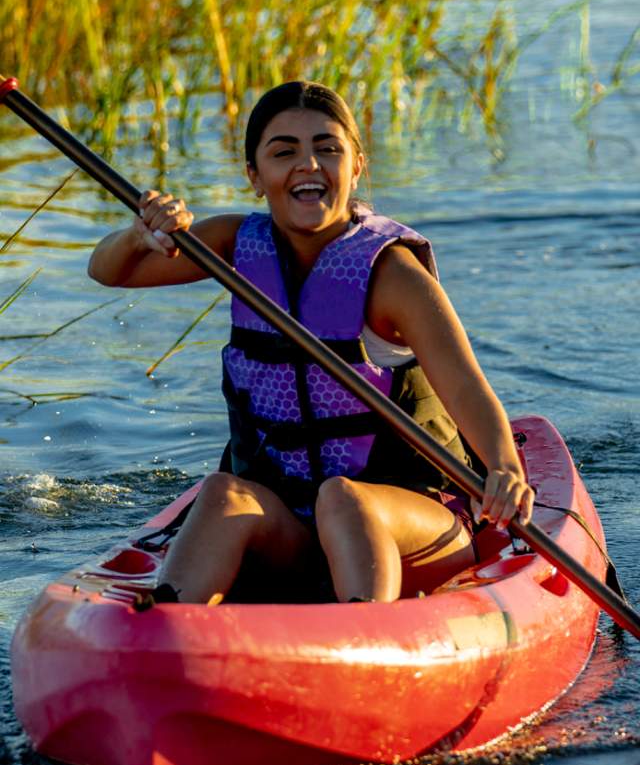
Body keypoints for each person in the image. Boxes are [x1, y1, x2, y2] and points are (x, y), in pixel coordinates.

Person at [88, 81, 534, 604]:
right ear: (255, 176)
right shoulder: (233, 244)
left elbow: (464, 385)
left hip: (416, 521)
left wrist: (504, 467)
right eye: (284, 152)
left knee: (343, 499)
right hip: (291, 526)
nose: (309, 164)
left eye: (328, 148)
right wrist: (141, 235)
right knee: (221, 493)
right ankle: (166, 634)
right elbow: (112, 271)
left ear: (357, 166)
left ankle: (366, 638)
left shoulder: (394, 275)